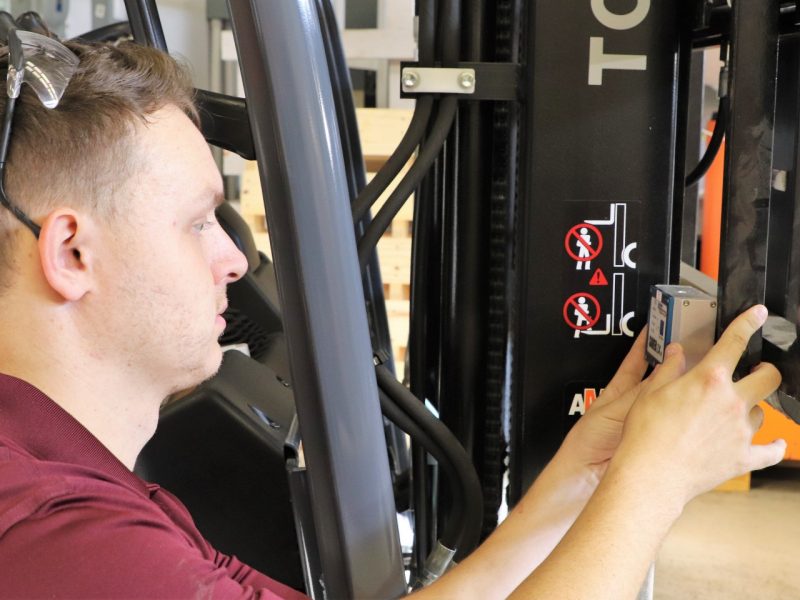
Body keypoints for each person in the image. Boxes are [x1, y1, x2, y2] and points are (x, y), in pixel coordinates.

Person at [0, 40, 786, 600]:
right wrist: (656, 485)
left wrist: (581, 483)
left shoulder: (80, 491)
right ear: (71, 253)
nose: (233, 262)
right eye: (198, 222)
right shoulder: (66, 541)